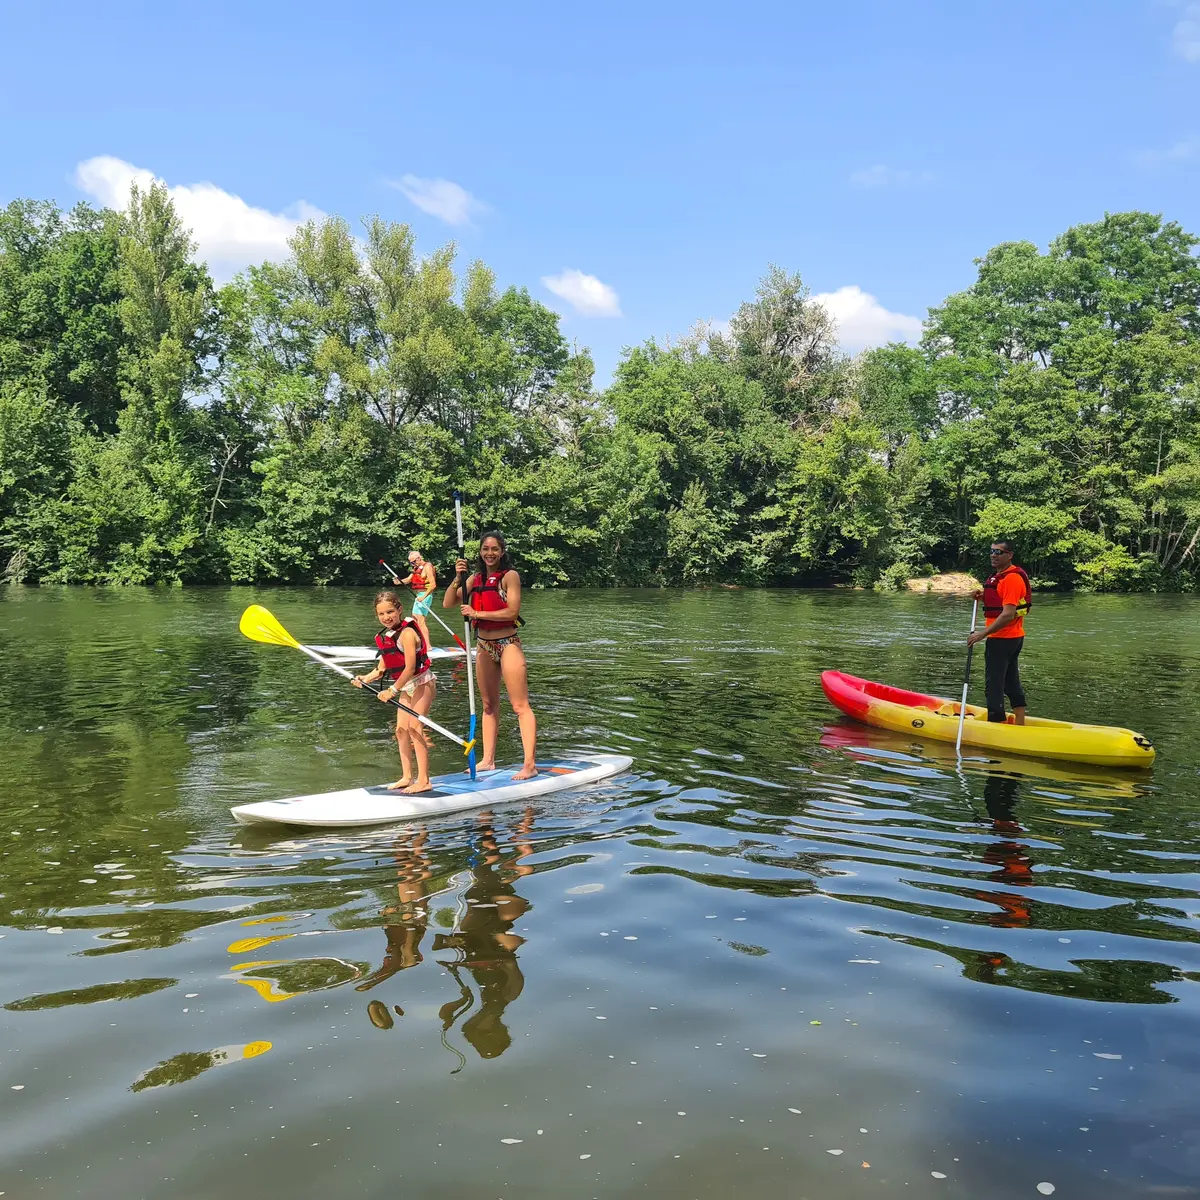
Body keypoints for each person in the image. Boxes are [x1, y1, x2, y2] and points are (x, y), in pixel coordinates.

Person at [443, 531, 537, 779]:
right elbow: (448, 603)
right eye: (486, 549)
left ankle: (529, 764)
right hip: (484, 645)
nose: (490, 553)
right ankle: (488, 760)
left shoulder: (510, 576)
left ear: (502, 552)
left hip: (508, 643)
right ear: (480, 552)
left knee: (519, 705)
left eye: (495, 549)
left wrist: (476, 614)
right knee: (488, 705)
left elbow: (511, 611)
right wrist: (457, 578)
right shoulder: (475, 578)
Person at [352, 590, 437, 793]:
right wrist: (364, 679)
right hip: (406, 686)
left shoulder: (407, 633)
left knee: (415, 728)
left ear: (399, 609)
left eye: (390, 611)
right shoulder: (388, 636)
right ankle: (407, 776)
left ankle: (424, 780)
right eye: (381, 614)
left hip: (422, 683)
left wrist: (392, 690)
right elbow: (381, 669)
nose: (386, 617)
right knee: (400, 730)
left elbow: (409, 668)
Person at [967, 540, 1032, 725]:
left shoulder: (1011, 578)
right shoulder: (1000, 577)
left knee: (994, 685)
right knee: (1011, 682)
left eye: (999, 552)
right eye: (992, 551)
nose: (994, 555)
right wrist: (982, 596)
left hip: (1002, 639)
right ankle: (1020, 721)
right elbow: (1000, 601)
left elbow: (1008, 614)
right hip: (1012, 637)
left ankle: (996, 723)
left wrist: (982, 633)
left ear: (1009, 555)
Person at [392, 550, 437, 648]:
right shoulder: (416, 568)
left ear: (419, 558)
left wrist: (423, 597)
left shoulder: (427, 567)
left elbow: (433, 585)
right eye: (411, 562)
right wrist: (398, 581)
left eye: (413, 562)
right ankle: (421, 644)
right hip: (419, 596)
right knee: (415, 620)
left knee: (420, 621)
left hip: (425, 595)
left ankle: (428, 646)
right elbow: (408, 580)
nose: (412, 564)